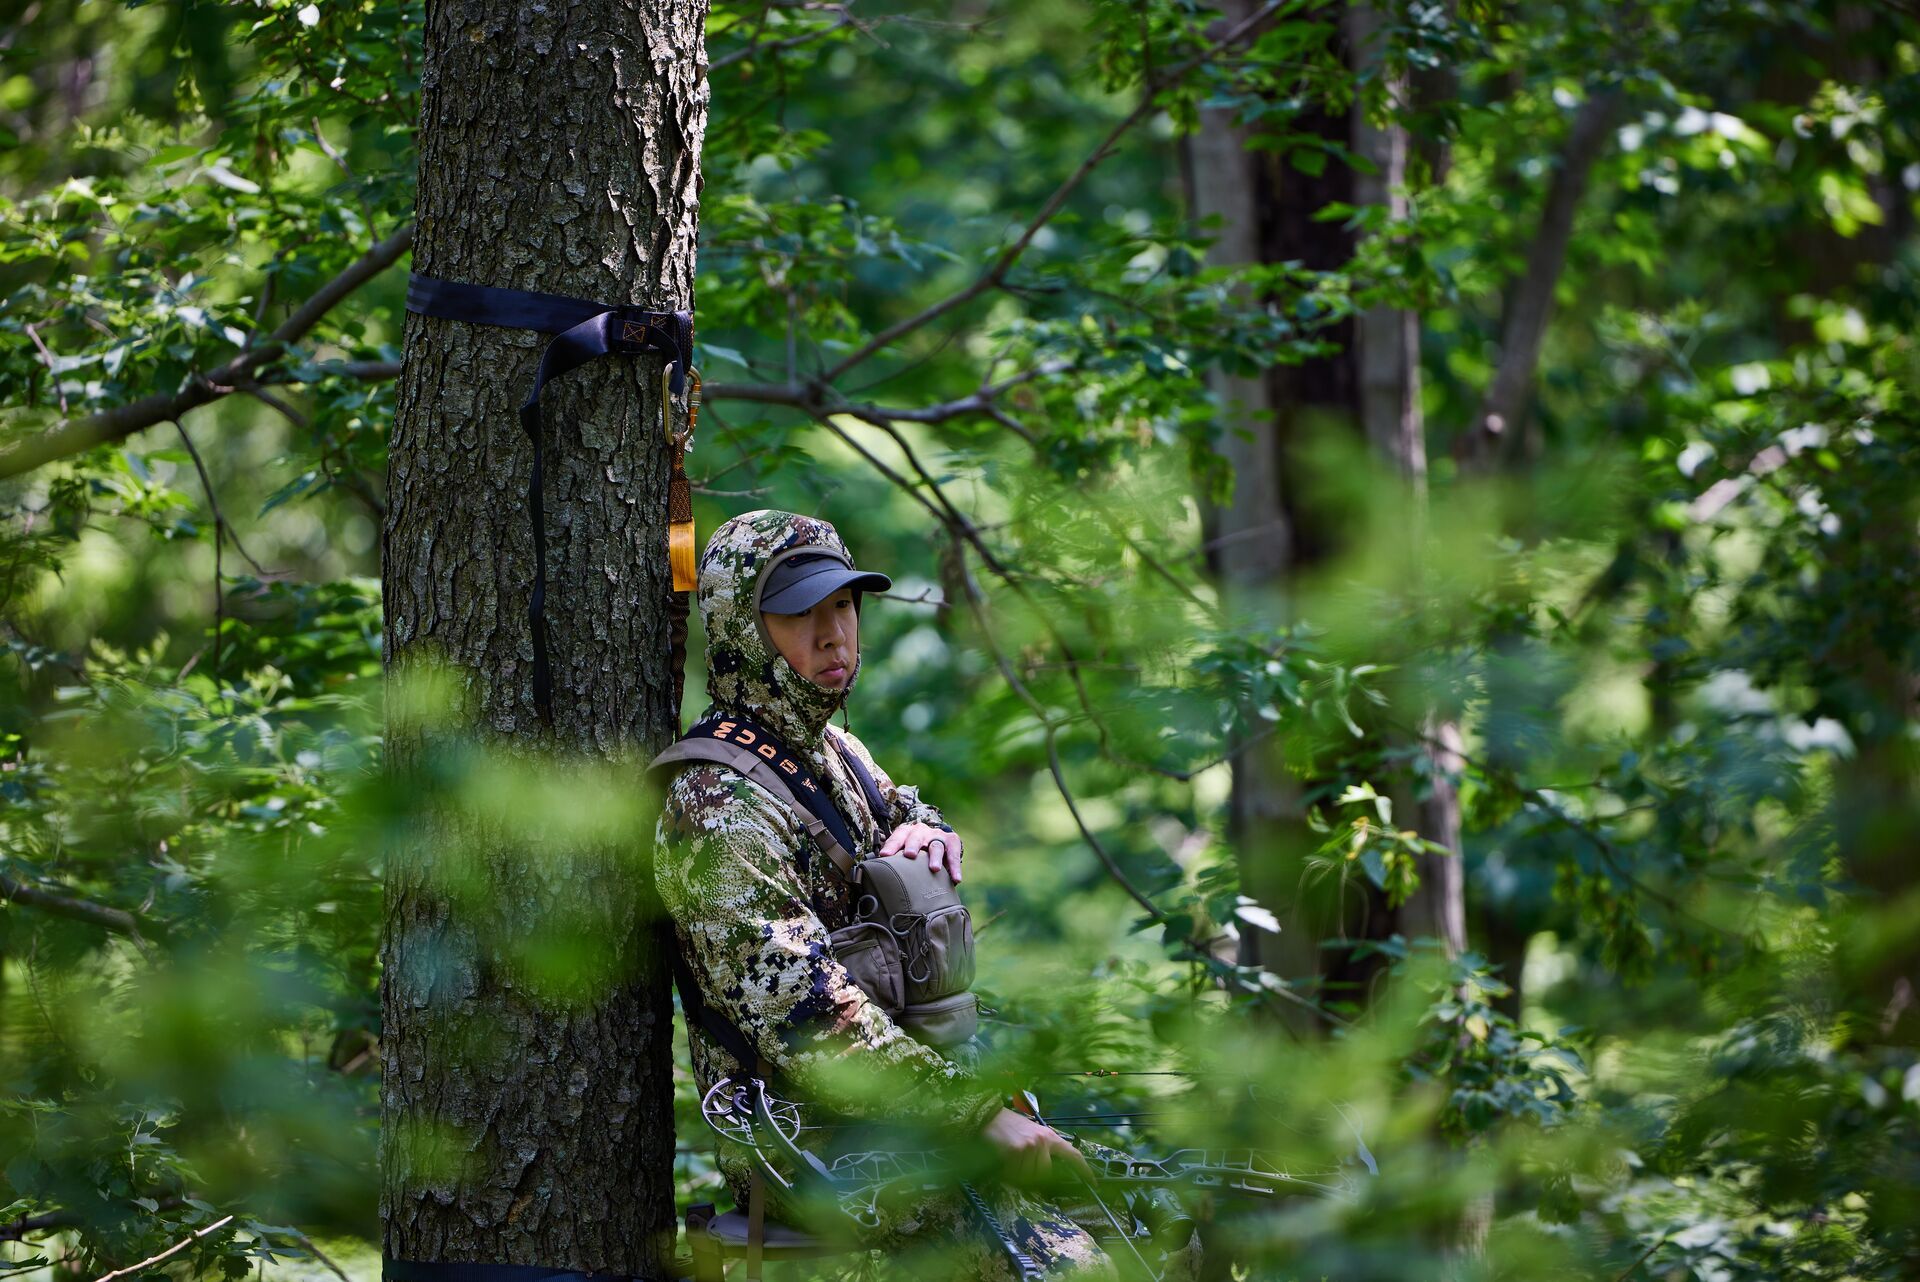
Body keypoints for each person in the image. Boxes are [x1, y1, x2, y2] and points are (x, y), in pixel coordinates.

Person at [652, 509, 1154, 1281]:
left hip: (911, 1109)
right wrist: (976, 1117)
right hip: (808, 1145)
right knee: (1073, 1270)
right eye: (799, 613)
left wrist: (926, 833)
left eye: (844, 605)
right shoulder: (717, 805)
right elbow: (806, 1019)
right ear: (740, 630)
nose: (834, 636)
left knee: (1151, 1206)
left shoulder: (831, 751)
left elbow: (899, 814)